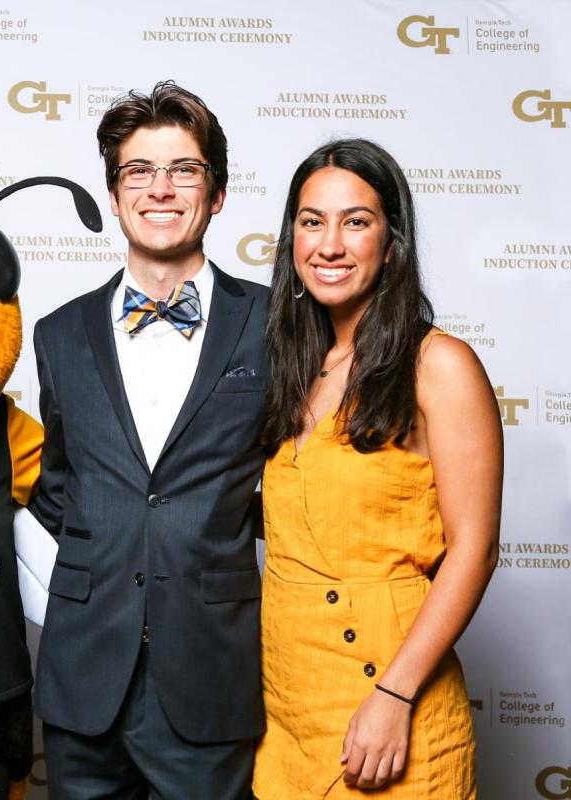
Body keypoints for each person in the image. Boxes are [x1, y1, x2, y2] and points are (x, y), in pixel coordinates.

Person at [28, 80, 269, 799]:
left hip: (210, 670)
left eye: (184, 170)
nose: (160, 189)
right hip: (84, 675)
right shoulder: (58, 332)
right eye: (139, 171)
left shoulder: (275, 323)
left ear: (216, 194)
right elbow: (62, 488)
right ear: (113, 193)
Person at [254, 138, 501, 798]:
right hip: (290, 716)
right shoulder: (291, 369)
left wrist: (394, 694)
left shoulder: (438, 365)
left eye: (355, 221)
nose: (330, 244)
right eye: (312, 221)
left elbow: (474, 549)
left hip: (391, 700)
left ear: (391, 242)